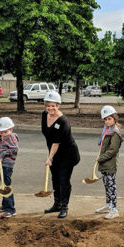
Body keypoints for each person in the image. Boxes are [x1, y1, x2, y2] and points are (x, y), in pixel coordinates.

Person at [41, 91, 81, 219]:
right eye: (48, 105)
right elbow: (48, 136)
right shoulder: (44, 115)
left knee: (63, 180)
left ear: (58, 105)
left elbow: (56, 142)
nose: (50, 108)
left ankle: (64, 207)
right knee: (55, 179)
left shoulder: (63, 121)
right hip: (54, 154)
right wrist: (51, 156)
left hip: (67, 155)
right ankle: (57, 204)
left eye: (53, 105)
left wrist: (49, 158)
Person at [95, 105, 123, 220]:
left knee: (111, 186)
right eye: (105, 119)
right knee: (106, 185)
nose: (107, 121)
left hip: (109, 163)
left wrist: (100, 158)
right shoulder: (106, 130)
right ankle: (108, 205)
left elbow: (113, 150)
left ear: (115, 118)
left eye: (109, 119)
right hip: (104, 163)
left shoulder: (115, 132)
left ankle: (114, 209)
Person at [0, 116, 18, 219]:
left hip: (7, 165)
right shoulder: (4, 136)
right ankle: (5, 205)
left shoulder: (11, 137)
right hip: (1, 164)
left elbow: (14, 150)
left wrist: (2, 155)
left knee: (6, 186)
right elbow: (1, 145)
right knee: (3, 185)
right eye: (1, 132)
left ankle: (11, 209)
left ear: (11, 129)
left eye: (4, 132)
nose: (3, 134)